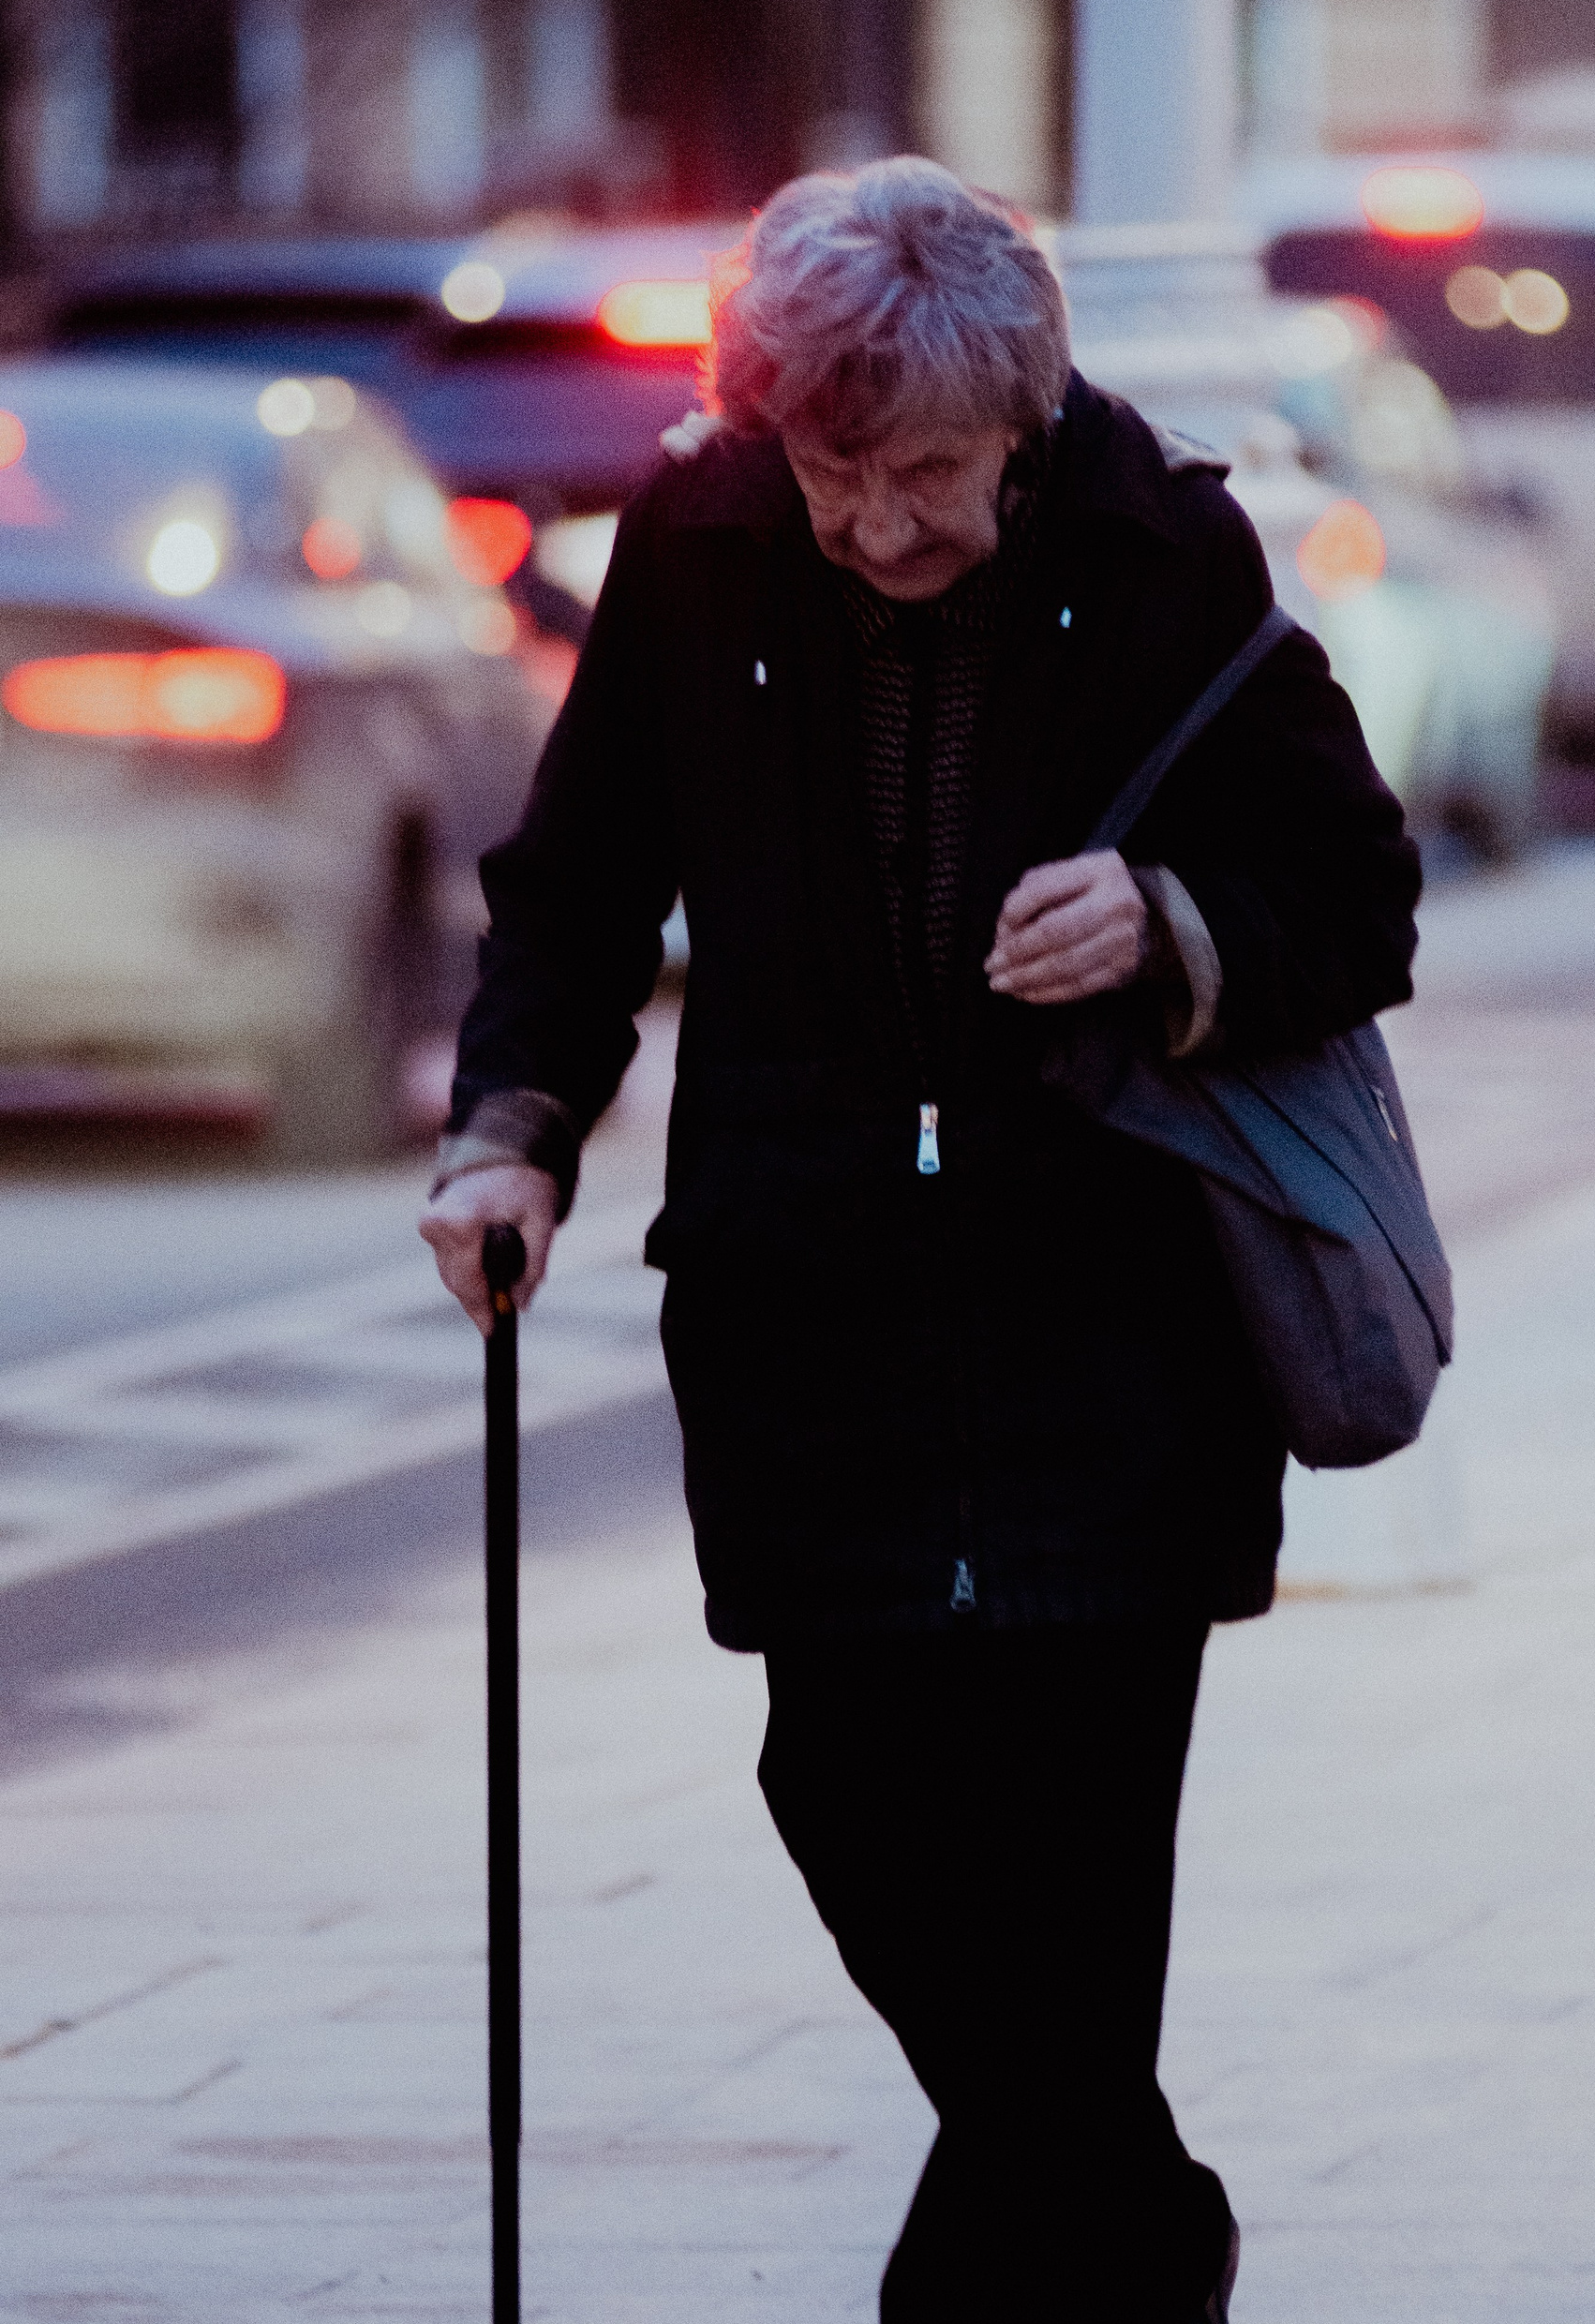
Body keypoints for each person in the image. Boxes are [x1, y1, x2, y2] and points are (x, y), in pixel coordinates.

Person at [418, 156, 1422, 2322]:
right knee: (842, 1785)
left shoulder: (1162, 549)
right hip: (808, 1315)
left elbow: (1358, 893)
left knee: (1068, 1897)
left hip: (1112, 1334)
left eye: (927, 475)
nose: (876, 524)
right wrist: (511, 1135)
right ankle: (1137, 2230)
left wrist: (1171, 927)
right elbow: (578, 887)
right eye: (831, 470)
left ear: (1022, 421)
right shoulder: (693, 549)